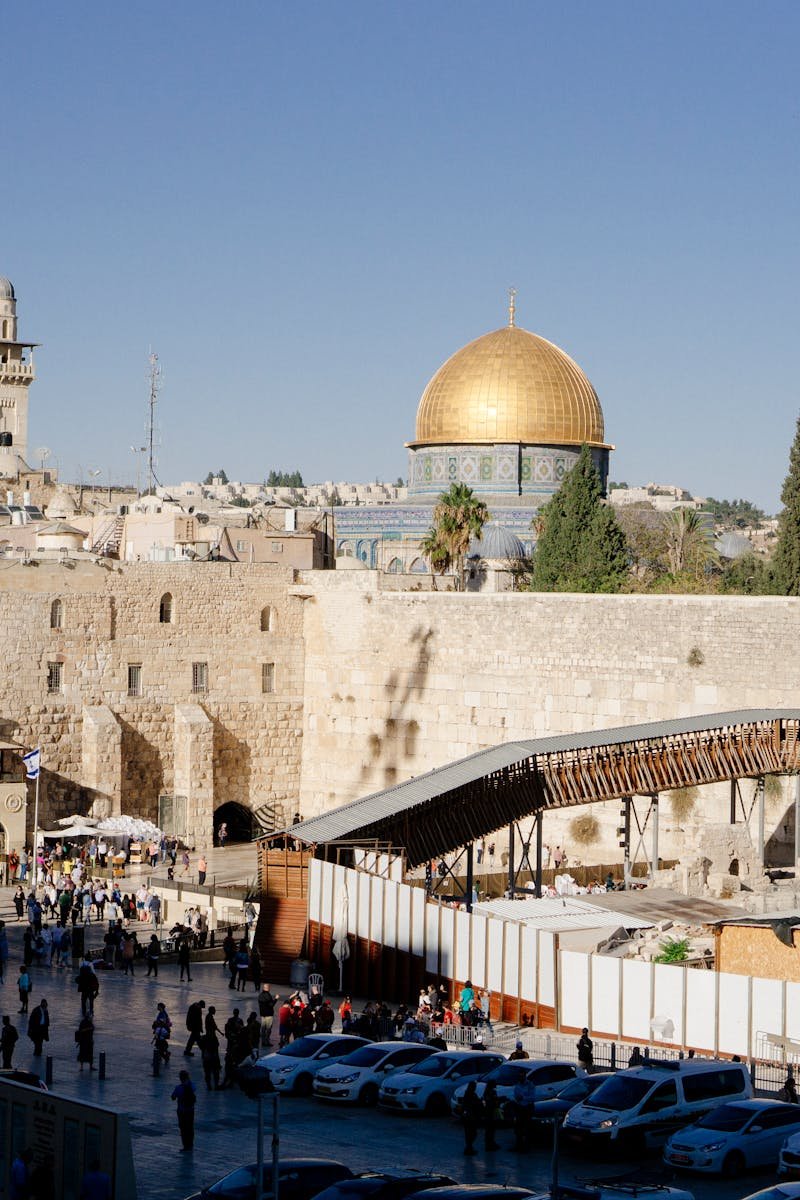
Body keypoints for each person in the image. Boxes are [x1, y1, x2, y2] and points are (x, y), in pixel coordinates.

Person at [171, 1069, 197, 1150]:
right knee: (190, 1127)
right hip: (191, 1110)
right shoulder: (192, 1085)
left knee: (183, 1128)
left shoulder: (178, 1088)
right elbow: (194, 1088)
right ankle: (191, 1144)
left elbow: (173, 1097)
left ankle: (185, 1145)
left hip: (182, 1111)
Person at [462, 1079, 483, 1155]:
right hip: (470, 1118)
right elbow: (467, 1106)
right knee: (471, 1133)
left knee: (471, 1133)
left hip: (471, 1117)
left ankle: (469, 1148)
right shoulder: (468, 1095)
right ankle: (469, 1148)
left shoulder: (472, 1094)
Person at [483, 1080, 500, 1151]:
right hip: (490, 1113)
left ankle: (491, 1143)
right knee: (490, 1129)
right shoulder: (491, 1092)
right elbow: (491, 1102)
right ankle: (489, 1144)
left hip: (490, 1113)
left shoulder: (488, 1092)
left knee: (490, 1129)